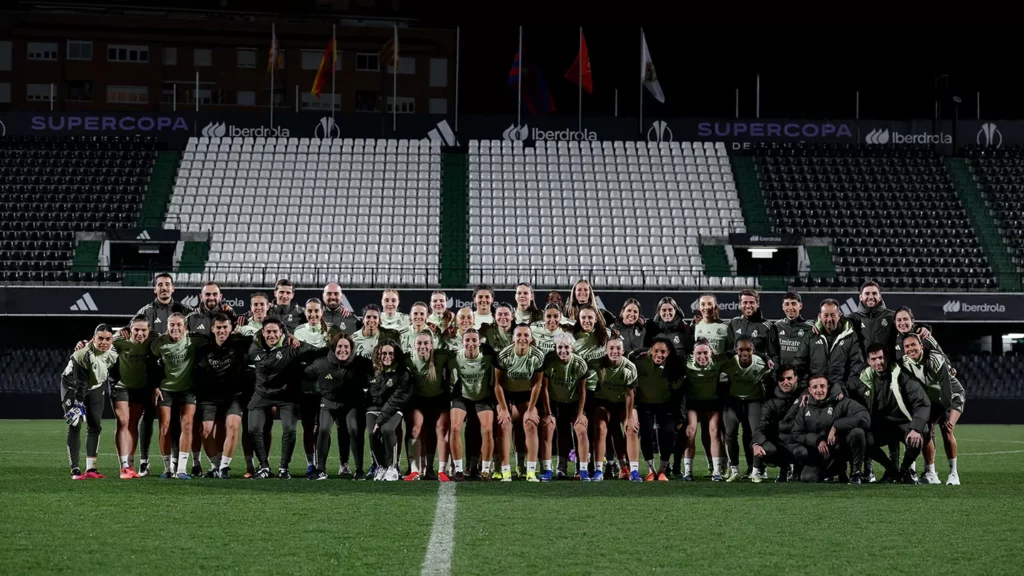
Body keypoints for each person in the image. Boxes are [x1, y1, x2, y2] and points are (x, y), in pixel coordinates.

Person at [135, 272, 193, 476]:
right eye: (160, 285)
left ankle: (176, 463)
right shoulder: (146, 311)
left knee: (175, 419)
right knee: (148, 415)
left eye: (167, 284)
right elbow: (132, 331)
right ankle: (144, 461)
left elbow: (204, 321)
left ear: (173, 288)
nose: (164, 288)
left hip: (176, 376)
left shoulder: (184, 310)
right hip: (151, 374)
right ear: (155, 289)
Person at [246, 319, 319, 479]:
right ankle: (264, 466)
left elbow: (317, 352)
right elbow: (267, 363)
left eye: (275, 332)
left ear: (281, 332)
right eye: (268, 332)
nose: (272, 335)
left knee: (290, 430)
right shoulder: (254, 348)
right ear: (263, 333)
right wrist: (287, 348)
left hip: (287, 395)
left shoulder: (293, 345)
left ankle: (283, 468)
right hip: (262, 394)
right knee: (253, 428)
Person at [850, 344, 932, 484]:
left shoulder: (902, 376)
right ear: (868, 362)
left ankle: (905, 470)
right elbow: (847, 389)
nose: (878, 362)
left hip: (904, 423)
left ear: (886, 357)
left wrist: (916, 428)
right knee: (863, 438)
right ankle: (891, 471)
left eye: (881, 357)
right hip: (882, 426)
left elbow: (923, 403)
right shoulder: (865, 379)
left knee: (919, 436)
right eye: (874, 359)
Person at [306, 333, 373, 480]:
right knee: (323, 430)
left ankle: (359, 469)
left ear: (352, 348)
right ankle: (321, 469)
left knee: (354, 429)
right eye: (339, 346)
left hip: (352, 404)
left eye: (346, 347)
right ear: (334, 347)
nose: (343, 350)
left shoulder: (361, 363)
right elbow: (304, 375)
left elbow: (376, 377)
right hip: (329, 403)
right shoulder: (321, 363)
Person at [192, 313, 252, 479]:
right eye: (218, 327)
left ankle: (224, 467)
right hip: (209, 397)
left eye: (225, 327)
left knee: (233, 426)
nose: (222, 331)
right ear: (212, 328)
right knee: (205, 431)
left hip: (234, 396)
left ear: (231, 328)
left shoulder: (240, 344)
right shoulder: (203, 348)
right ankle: (215, 466)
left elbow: (264, 335)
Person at [900, 334, 965, 485]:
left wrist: (943, 413)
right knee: (927, 431)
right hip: (932, 400)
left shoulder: (935, 359)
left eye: (913, 345)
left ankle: (953, 474)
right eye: (907, 347)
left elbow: (947, 390)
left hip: (951, 397)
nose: (911, 349)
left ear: (921, 346)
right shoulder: (904, 363)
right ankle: (931, 474)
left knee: (947, 430)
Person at [149, 313, 206, 479]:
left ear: (185, 328)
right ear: (167, 326)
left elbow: (216, 339)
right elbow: (150, 365)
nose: (175, 328)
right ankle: (167, 468)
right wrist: (155, 385)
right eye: (172, 325)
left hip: (188, 389)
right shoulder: (158, 343)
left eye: (178, 325)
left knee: (187, 425)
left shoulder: (194, 340)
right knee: (165, 427)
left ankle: (181, 469)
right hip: (166, 389)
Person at [787, 374, 870, 484]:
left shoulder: (840, 402)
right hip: (820, 452)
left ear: (828, 387)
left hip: (841, 447)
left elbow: (864, 417)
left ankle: (856, 473)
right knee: (807, 478)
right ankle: (836, 469)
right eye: (815, 387)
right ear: (809, 390)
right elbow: (796, 433)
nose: (819, 390)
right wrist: (818, 440)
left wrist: (836, 426)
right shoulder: (804, 407)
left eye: (822, 386)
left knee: (857, 432)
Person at [62, 324, 118, 480]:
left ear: (112, 339)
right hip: (73, 386)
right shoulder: (83, 355)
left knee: (95, 425)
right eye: (100, 338)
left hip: (95, 386)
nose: (104, 342)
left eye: (108, 339)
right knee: (75, 423)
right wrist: (78, 404)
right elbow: (80, 382)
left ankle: (91, 469)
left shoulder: (113, 352)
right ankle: (75, 469)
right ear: (94, 339)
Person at [494, 324, 547, 481]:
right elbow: (497, 384)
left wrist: (531, 409)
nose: (522, 338)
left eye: (526, 335)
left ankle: (530, 471)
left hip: (526, 395)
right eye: (519, 335)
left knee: (530, 423)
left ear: (531, 338)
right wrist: (503, 408)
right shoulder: (504, 355)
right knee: (504, 424)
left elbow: (538, 384)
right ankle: (505, 470)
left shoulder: (537, 356)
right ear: (513, 338)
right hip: (506, 394)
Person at [540, 333, 595, 481]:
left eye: (566, 347)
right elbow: (544, 388)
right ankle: (554, 468)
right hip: (556, 401)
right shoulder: (550, 362)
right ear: (555, 348)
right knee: (554, 430)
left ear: (572, 347)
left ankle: (582, 469)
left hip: (574, 402)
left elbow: (582, 390)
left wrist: (581, 413)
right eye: (559, 347)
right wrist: (548, 412)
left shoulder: (580, 364)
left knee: (581, 430)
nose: (563, 350)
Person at [110, 315, 158, 479]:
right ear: (130, 329)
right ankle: (123, 466)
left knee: (132, 424)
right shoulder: (119, 340)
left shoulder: (153, 341)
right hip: (121, 387)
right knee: (123, 421)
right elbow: (98, 343)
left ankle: (130, 464)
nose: (139, 333)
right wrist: (83, 344)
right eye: (136, 329)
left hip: (140, 388)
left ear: (148, 330)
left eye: (143, 330)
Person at [632, 337, 686, 482]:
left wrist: (680, 417)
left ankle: (662, 470)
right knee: (647, 434)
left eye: (663, 352)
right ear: (650, 351)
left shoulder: (674, 367)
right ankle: (651, 469)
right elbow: (629, 361)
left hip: (666, 405)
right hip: (645, 404)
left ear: (668, 353)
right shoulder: (640, 363)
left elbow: (680, 393)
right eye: (656, 351)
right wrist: (633, 409)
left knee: (667, 434)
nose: (659, 355)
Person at [448, 329, 498, 481]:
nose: (470, 344)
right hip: (462, 397)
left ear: (479, 342)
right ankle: (458, 469)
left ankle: (485, 470)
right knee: (455, 427)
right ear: (462, 342)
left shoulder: (488, 356)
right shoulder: (455, 357)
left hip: (483, 397)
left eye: (474, 340)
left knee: (488, 430)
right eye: (467, 340)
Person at [721, 336, 773, 482]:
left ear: (753, 350)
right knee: (730, 434)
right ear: (735, 350)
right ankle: (735, 470)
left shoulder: (761, 363)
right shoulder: (729, 363)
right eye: (741, 350)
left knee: (756, 434)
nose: (744, 353)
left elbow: (769, 381)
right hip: (734, 400)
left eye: (748, 350)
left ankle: (756, 471)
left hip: (754, 400)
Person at [591, 337, 642, 482]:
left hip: (623, 403)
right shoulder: (598, 363)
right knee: (600, 428)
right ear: (606, 350)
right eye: (611, 348)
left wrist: (629, 417)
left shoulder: (629, 367)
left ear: (623, 350)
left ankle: (634, 471)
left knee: (632, 428)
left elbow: (629, 394)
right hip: (604, 402)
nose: (615, 351)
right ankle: (598, 470)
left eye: (618, 348)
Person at [404, 330, 453, 482]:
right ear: (414, 345)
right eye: (419, 343)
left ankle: (439, 469)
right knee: (416, 429)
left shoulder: (441, 356)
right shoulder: (407, 358)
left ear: (432, 345)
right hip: (418, 399)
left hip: (439, 398)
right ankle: (415, 470)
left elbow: (458, 358)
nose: (422, 346)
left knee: (440, 430)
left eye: (426, 343)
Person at [292, 299, 333, 477]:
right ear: (305, 312)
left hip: (326, 388)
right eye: (310, 311)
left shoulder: (331, 331)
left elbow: (330, 357)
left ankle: (322, 464)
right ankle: (311, 464)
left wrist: (311, 355)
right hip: (306, 387)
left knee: (324, 428)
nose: (313, 315)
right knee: (308, 427)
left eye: (317, 311)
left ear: (322, 312)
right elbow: (299, 357)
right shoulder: (299, 331)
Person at [237, 292, 273, 478]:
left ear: (268, 306)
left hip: (268, 383)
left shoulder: (274, 328)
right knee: (247, 425)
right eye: (255, 305)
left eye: (262, 305)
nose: (259, 308)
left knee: (266, 425)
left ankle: (264, 463)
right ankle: (249, 466)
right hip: (248, 383)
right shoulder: (242, 328)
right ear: (251, 308)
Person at [366, 340, 412, 481]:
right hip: (375, 408)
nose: (387, 356)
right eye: (384, 353)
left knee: (387, 430)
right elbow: (372, 395)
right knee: (372, 434)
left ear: (396, 354)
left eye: (391, 353)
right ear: (378, 355)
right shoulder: (372, 371)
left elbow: (396, 399)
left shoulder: (403, 373)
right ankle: (381, 467)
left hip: (395, 409)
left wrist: (380, 421)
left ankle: (393, 467)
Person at [683, 339, 727, 481]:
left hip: (712, 403)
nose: (702, 356)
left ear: (711, 353)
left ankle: (716, 471)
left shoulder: (718, 361)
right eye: (699, 353)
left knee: (714, 433)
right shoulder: (686, 363)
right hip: (693, 404)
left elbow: (738, 351)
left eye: (705, 353)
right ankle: (687, 471)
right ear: (693, 354)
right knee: (690, 432)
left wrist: (765, 358)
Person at [751, 365, 801, 482]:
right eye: (781, 379)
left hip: (801, 442)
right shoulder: (771, 402)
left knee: (808, 475)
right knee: (766, 448)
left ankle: (800, 468)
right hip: (781, 442)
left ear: (796, 379)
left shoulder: (806, 395)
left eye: (789, 378)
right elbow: (762, 425)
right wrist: (756, 444)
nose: (785, 382)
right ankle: (785, 467)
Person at [809, 299, 864, 395]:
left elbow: (856, 368)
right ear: (820, 317)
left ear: (839, 315)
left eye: (833, 315)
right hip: (815, 392)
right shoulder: (811, 335)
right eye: (826, 315)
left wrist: (844, 389)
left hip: (841, 393)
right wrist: (808, 388)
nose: (829, 319)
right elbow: (802, 365)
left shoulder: (851, 337)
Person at [768, 291, 813, 384]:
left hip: (802, 379)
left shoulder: (810, 328)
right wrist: (777, 372)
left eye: (793, 304)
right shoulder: (777, 326)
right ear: (783, 307)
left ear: (800, 306)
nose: (790, 308)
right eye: (787, 304)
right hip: (782, 378)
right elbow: (774, 353)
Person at [692, 294, 733, 362]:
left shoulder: (726, 327)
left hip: (719, 368)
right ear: (699, 307)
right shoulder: (695, 325)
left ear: (715, 306)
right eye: (703, 304)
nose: (706, 307)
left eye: (709, 304)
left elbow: (731, 351)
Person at [729, 289, 772, 355]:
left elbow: (774, 354)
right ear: (740, 305)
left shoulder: (767, 327)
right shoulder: (734, 323)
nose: (748, 306)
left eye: (751, 302)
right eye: (745, 302)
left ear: (757, 304)